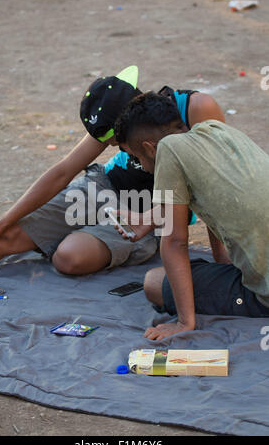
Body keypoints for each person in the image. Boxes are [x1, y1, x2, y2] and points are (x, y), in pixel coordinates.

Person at [0, 66, 224, 275]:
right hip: (105, 188)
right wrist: (2, 222)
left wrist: (222, 261)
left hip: (151, 210)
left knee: (69, 257)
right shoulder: (113, 115)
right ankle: (50, 235)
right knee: (6, 237)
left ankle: (60, 237)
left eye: (119, 143)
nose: (116, 148)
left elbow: (211, 186)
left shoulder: (197, 109)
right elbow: (63, 171)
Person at [114, 91, 269, 340]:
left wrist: (185, 322)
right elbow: (214, 198)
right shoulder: (215, 129)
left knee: (154, 282)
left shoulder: (168, 150)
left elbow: (175, 241)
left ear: (148, 148)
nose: (141, 167)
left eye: (137, 158)